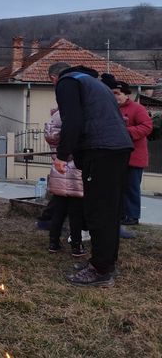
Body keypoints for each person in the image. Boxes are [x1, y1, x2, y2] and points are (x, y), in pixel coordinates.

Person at [49, 62, 133, 288]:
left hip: (100, 150)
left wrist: (62, 155)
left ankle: (100, 270)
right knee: (110, 210)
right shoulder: (94, 83)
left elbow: (72, 121)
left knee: (98, 211)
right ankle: (106, 262)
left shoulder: (67, 82)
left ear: (54, 78)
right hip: (118, 148)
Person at [109, 79, 153, 227]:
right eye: (112, 93)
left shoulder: (138, 109)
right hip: (116, 156)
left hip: (134, 156)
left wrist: (124, 131)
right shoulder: (110, 108)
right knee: (118, 187)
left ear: (126, 94)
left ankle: (132, 216)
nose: (115, 96)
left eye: (117, 93)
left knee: (131, 187)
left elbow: (147, 127)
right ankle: (121, 214)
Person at [44, 108, 86, 257]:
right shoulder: (75, 114)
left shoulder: (55, 117)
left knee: (58, 210)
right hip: (76, 169)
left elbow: (53, 139)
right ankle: (76, 245)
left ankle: (53, 243)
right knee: (76, 212)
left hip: (58, 168)